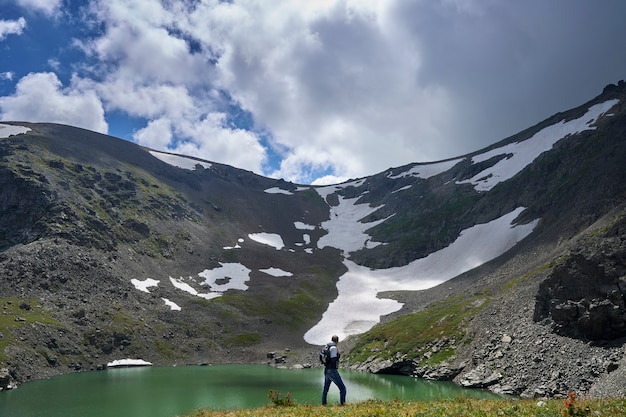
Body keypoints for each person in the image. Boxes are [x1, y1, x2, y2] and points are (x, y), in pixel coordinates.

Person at [322, 335, 347, 405]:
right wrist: (338, 355)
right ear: (337, 341)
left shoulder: (327, 346)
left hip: (326, 370)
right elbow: (333, 360)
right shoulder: (333, 348)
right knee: (343, 388)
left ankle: (323, 404)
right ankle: (343, 404)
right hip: (332, 370)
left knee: (325, 389)